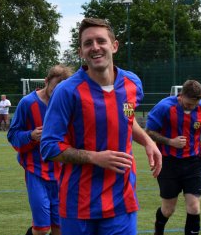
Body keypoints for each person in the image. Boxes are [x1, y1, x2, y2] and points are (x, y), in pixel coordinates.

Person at [40, 18, 162, 235]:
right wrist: (95, 158)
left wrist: (147, 140)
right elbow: (49, 146)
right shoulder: (67, 91)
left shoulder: (132, 84)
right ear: (81, 52)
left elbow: (125, 118)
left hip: (121, 201)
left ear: (114, 45)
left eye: (100, 41)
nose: (95, 47)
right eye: (88, 43)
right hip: (78, 204)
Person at [145, 80, 201, 235]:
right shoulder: (164, 107)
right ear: (181, 96)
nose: (191, 108)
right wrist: (170, 141)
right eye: (188, 104)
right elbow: (149, 132)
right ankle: (158, 230)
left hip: (194, 163)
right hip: (168, 163)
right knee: (168, 209)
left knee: (194, 207)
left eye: (194, 105)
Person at [7, 65, 72, 235]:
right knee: (42, 228)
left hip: (61, 173)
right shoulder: (27, 103)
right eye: (55, 87)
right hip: (36, 171)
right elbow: (12, 135)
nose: (58, 93)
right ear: (46, 81)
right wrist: (31, 135)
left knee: (60, 228)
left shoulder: (67, 105)